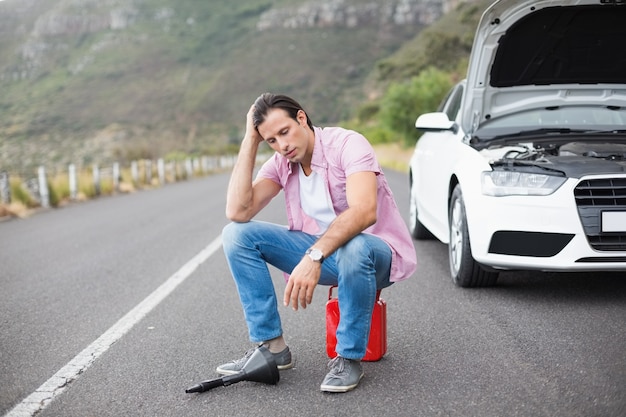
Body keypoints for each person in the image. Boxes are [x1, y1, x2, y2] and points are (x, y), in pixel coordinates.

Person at [218, 93, 417, 393]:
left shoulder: (348, 144)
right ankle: (272, 348)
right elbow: (238, 210)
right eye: (271, 140)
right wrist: (249, 140)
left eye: (284, 132)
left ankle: (348, 357)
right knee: (236, 234)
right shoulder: (283, 163)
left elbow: (363, 211)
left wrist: (313, 256)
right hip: (326, 255)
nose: (282, 145)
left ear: (301, 118)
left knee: (354, 246)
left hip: (374, 255)